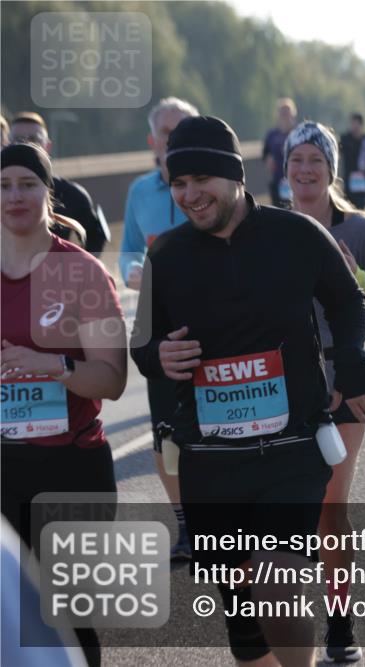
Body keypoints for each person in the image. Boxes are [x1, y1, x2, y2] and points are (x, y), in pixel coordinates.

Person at [130, 116, 365, 667]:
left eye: (202, 179)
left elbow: (346, 302)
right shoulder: (167, 254)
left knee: (276, 585)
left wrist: (351, 363)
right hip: (212, 458)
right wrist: (158, 356)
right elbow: (143, 342)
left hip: (291, 446)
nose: (190, 195)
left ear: (236, 176)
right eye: (178, 183)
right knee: (244, 622)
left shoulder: (297, 235)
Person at [2, 142, 127, 667]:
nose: (14, 196)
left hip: (72, 467)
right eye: (3, 186)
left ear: (48, 193)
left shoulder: (80, 272)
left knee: (69, 621)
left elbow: (112, 380)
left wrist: (52, 364)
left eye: (27, 185)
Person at [284, 121, 365, 663]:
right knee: (285, 511)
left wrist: (360, 279)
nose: (306, 169)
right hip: (283, 385)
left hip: (343, 383)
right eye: (297, 160)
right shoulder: (269, 229)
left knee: (331, 509)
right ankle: (285, 623)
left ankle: (339, 621)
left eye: (316, 160)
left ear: (332, 170)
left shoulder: (359, 230)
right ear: (284, 168)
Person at [118, 96, 199, 561]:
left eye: (184, 127)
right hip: (157, 324)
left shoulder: (210, 184)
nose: (175, 137)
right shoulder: (139, 192)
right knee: (165, 433)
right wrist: (132, 269)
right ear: (153, 141)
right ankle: (186, 525)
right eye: (167, 131)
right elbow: (129, 247)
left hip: (210, 321)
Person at [10, 113, 110, 256]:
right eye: (18, 140)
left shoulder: (71, 195)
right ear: (7, 143)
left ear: (47, 146)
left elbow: (96, 236)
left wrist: (80, 266)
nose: (25, 145)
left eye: (34, 139)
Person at [261, 97, 297, 208]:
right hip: (277, 181)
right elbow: (265, 154)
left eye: (287, 113)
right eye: (282, 113)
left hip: (296, 181)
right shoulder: (272, 135)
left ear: (293, 114)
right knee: (278, 211)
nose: (285, 116)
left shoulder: (298, 133)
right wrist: (268, 160)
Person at [340, 113, 365, 210]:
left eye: (357, 124)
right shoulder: (345, 139)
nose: (355, 126)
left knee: (361, 208)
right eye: (353, 123)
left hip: (363, 180)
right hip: (349, 179)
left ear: (361, 125)